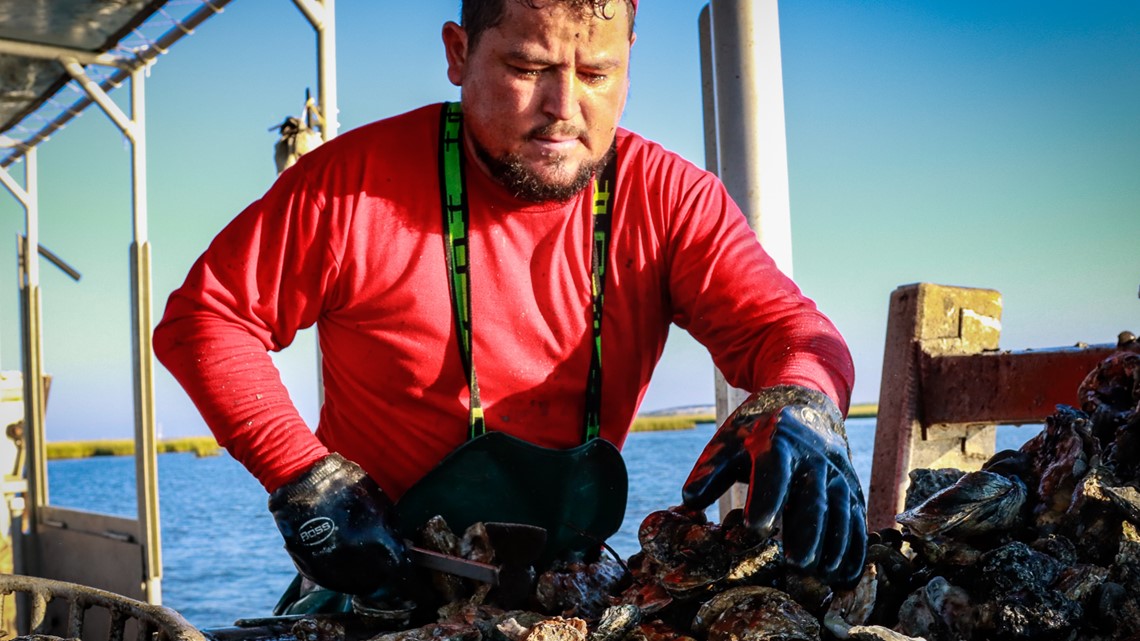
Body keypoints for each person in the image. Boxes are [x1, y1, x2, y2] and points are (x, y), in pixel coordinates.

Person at [153, 0, 866, 609]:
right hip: (377, 581)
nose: (563, 110)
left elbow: (791, 331)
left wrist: (801, 398)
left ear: (629, 58)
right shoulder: (350, 186)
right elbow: (205, 321)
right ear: (458, 53)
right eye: (528, 70)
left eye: (596, 74)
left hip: (570, 588)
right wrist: (304, 478)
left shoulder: (671, 200)